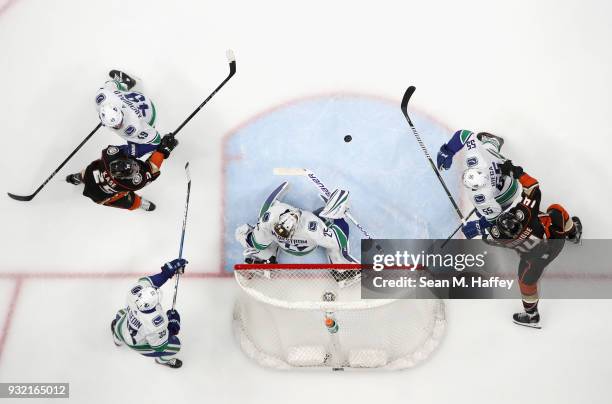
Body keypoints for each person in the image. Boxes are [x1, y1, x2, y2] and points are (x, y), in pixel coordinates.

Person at [472, 160, 582, 328]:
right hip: (555, 241)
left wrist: (480, 226)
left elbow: (487, 239)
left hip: (535, 261)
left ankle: (531, 315)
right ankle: (573, 232)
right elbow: (533, 186)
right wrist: (516, 171)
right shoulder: (525, 214)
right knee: (556, 210)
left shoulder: (500, 236)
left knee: (526, 282)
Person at [235, 188, 359, 285]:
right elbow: (338, 240)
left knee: (264, 235)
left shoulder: (271, 216)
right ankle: (341, 269)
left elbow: (256, 242)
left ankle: (264, 259)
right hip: (305, 248)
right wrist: (339, 216)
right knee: (331, 241)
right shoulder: (312, 226)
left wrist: (246, 235)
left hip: (284, 246)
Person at [65, 134, 178, 211]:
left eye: (133, 166)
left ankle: (78, 177)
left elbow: (131, 150)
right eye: (133, 171)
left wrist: (154, 145)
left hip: (93, 174)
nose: (136, 168)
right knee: (130, 202)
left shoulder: (109, 155)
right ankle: (140, 204)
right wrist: (162, 151)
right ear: (124, 178)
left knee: (87, 173)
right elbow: (152, 169)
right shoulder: (132, 183)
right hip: (102, 197)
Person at [111, 258, 187, 368]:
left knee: (121, 314)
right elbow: (159, 346)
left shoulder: (134, 292)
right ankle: (161, 361)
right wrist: (173, 327)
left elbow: (148, 281)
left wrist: (166, 273)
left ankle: (117, 340)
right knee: (175, 346)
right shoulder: (157, 323)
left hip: (122, 327)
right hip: (136, 343)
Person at [437, 130, 522, 228]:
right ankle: (493, 141)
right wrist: (448, 151)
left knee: (486, 209)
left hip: (510, 192)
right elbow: (464, 135)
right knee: (485, 152)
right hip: (508, 177)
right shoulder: (478, 160)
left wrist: (480, 225)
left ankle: (493, 142)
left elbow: (494, 217)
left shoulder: (480, 196)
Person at [95, 70, 163, 158]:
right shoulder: (103, 96)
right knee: (114, 89)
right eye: (115, 125)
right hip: (135, 99)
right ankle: (127, 84)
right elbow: (111, 84)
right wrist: (119, 84)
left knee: (134, 145)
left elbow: (156, 140)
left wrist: (133, 151)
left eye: (119, 121)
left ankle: (146, 139)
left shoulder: (133, 126)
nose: (119, 125)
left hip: (148, 113)